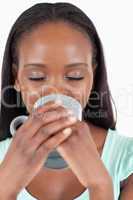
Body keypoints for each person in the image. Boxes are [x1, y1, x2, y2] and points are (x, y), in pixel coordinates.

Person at [0, 2, 132, 200]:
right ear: (16, 78)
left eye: (75, 76)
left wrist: (100, 184)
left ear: (92, 76)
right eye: (36, 77)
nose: (56, 93)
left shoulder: (127, 161)